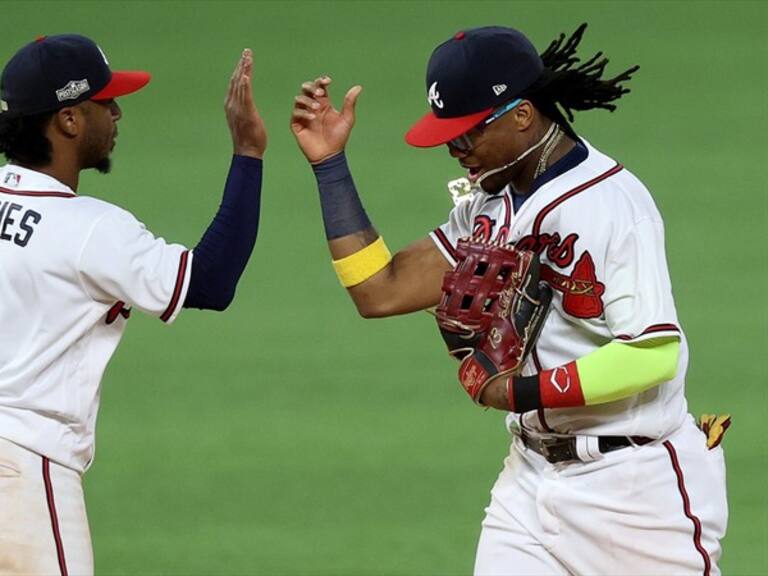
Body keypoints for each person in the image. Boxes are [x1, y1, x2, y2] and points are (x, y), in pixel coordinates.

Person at [290, 24, 728, 575]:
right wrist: (329, 166)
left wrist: (519, 391)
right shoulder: (489, 203)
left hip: (634, 490)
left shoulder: (613, 206)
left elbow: (654, 353)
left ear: (521, 115)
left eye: (467, 132)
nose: (454, 148)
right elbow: (380, 290)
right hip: (528, 483)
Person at [0, 35, 265, 573]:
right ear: (69, 120)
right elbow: (210, 283)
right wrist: (248, 154)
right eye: (106, 101)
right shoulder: (90, 228)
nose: (117, 113)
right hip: (24, 474)